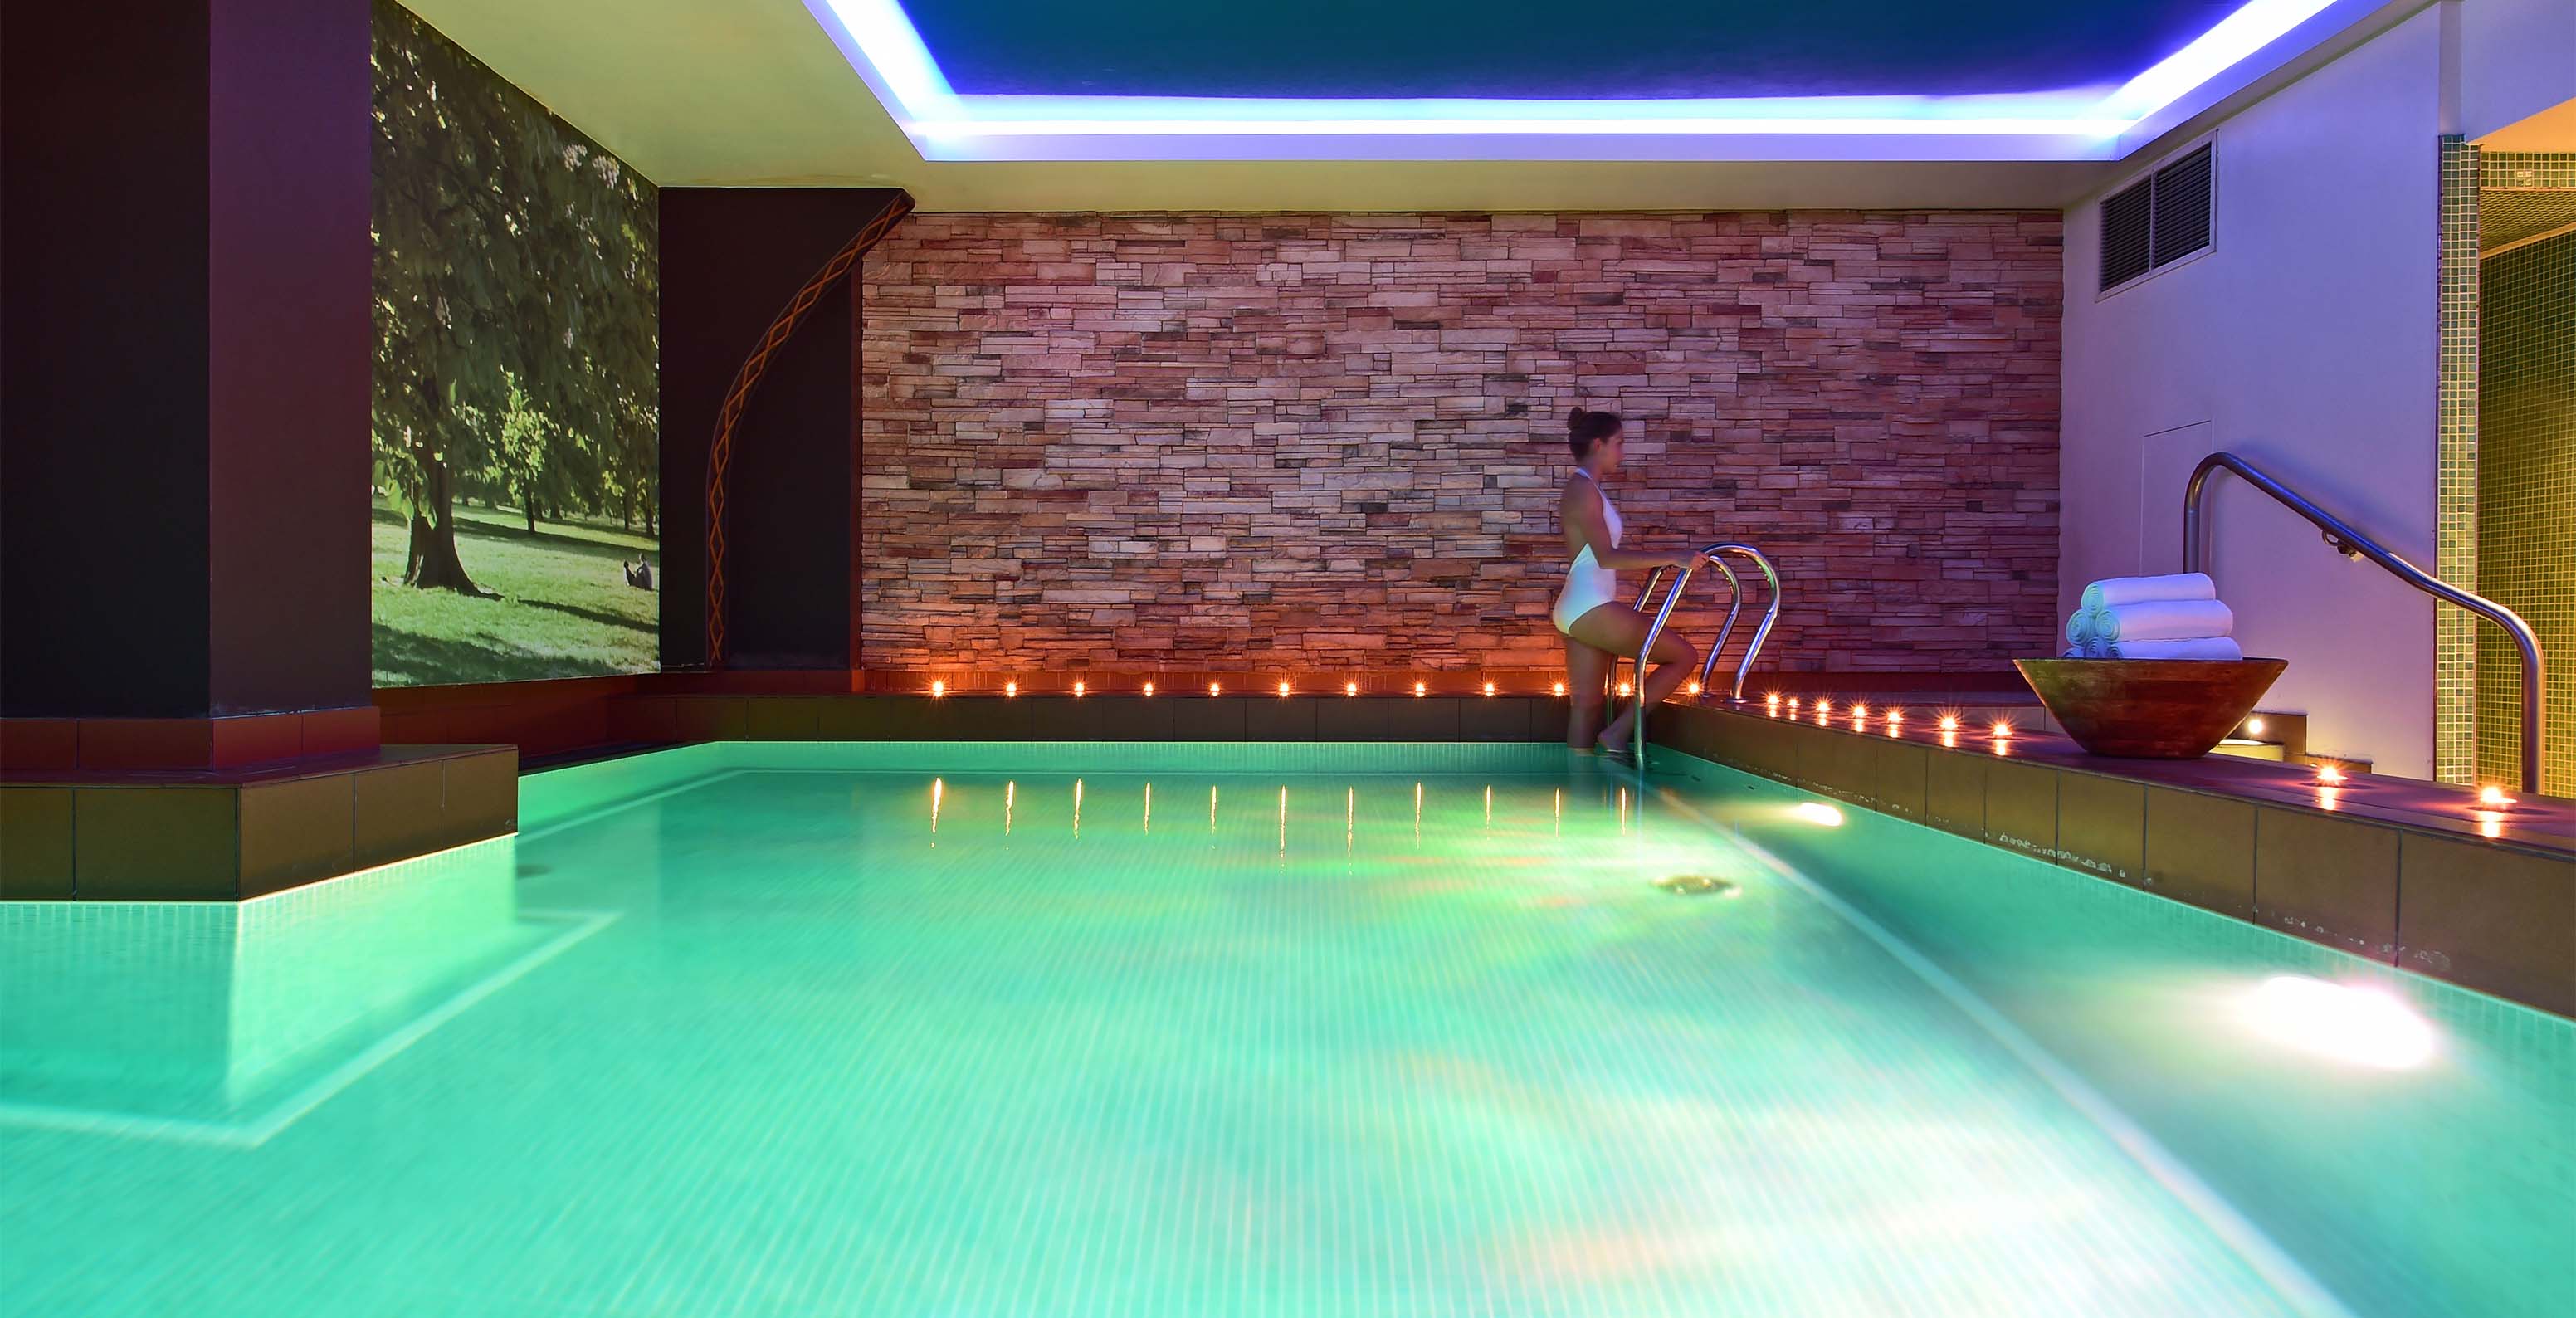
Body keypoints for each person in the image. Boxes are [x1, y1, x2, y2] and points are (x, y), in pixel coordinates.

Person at [1551, 407, 1707, 756]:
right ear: (1598, 444)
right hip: (1589, 606)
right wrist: (1673, 556)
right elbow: (1606, 557)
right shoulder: (1583, 489)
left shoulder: (1586, 487)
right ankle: (1618, 733)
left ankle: (1578, 780)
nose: (1622, 452)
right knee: (1684, 656)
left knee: (1587, 706)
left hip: (1580, 606)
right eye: (1619, 443)